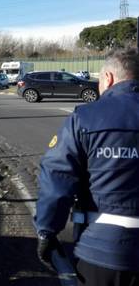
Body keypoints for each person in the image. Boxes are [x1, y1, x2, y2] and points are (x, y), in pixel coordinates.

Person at [35, 48, 139, 285]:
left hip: (103, 250)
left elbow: (57, 178)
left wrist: (46, 230)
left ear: (108, 78)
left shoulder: (85, 117)